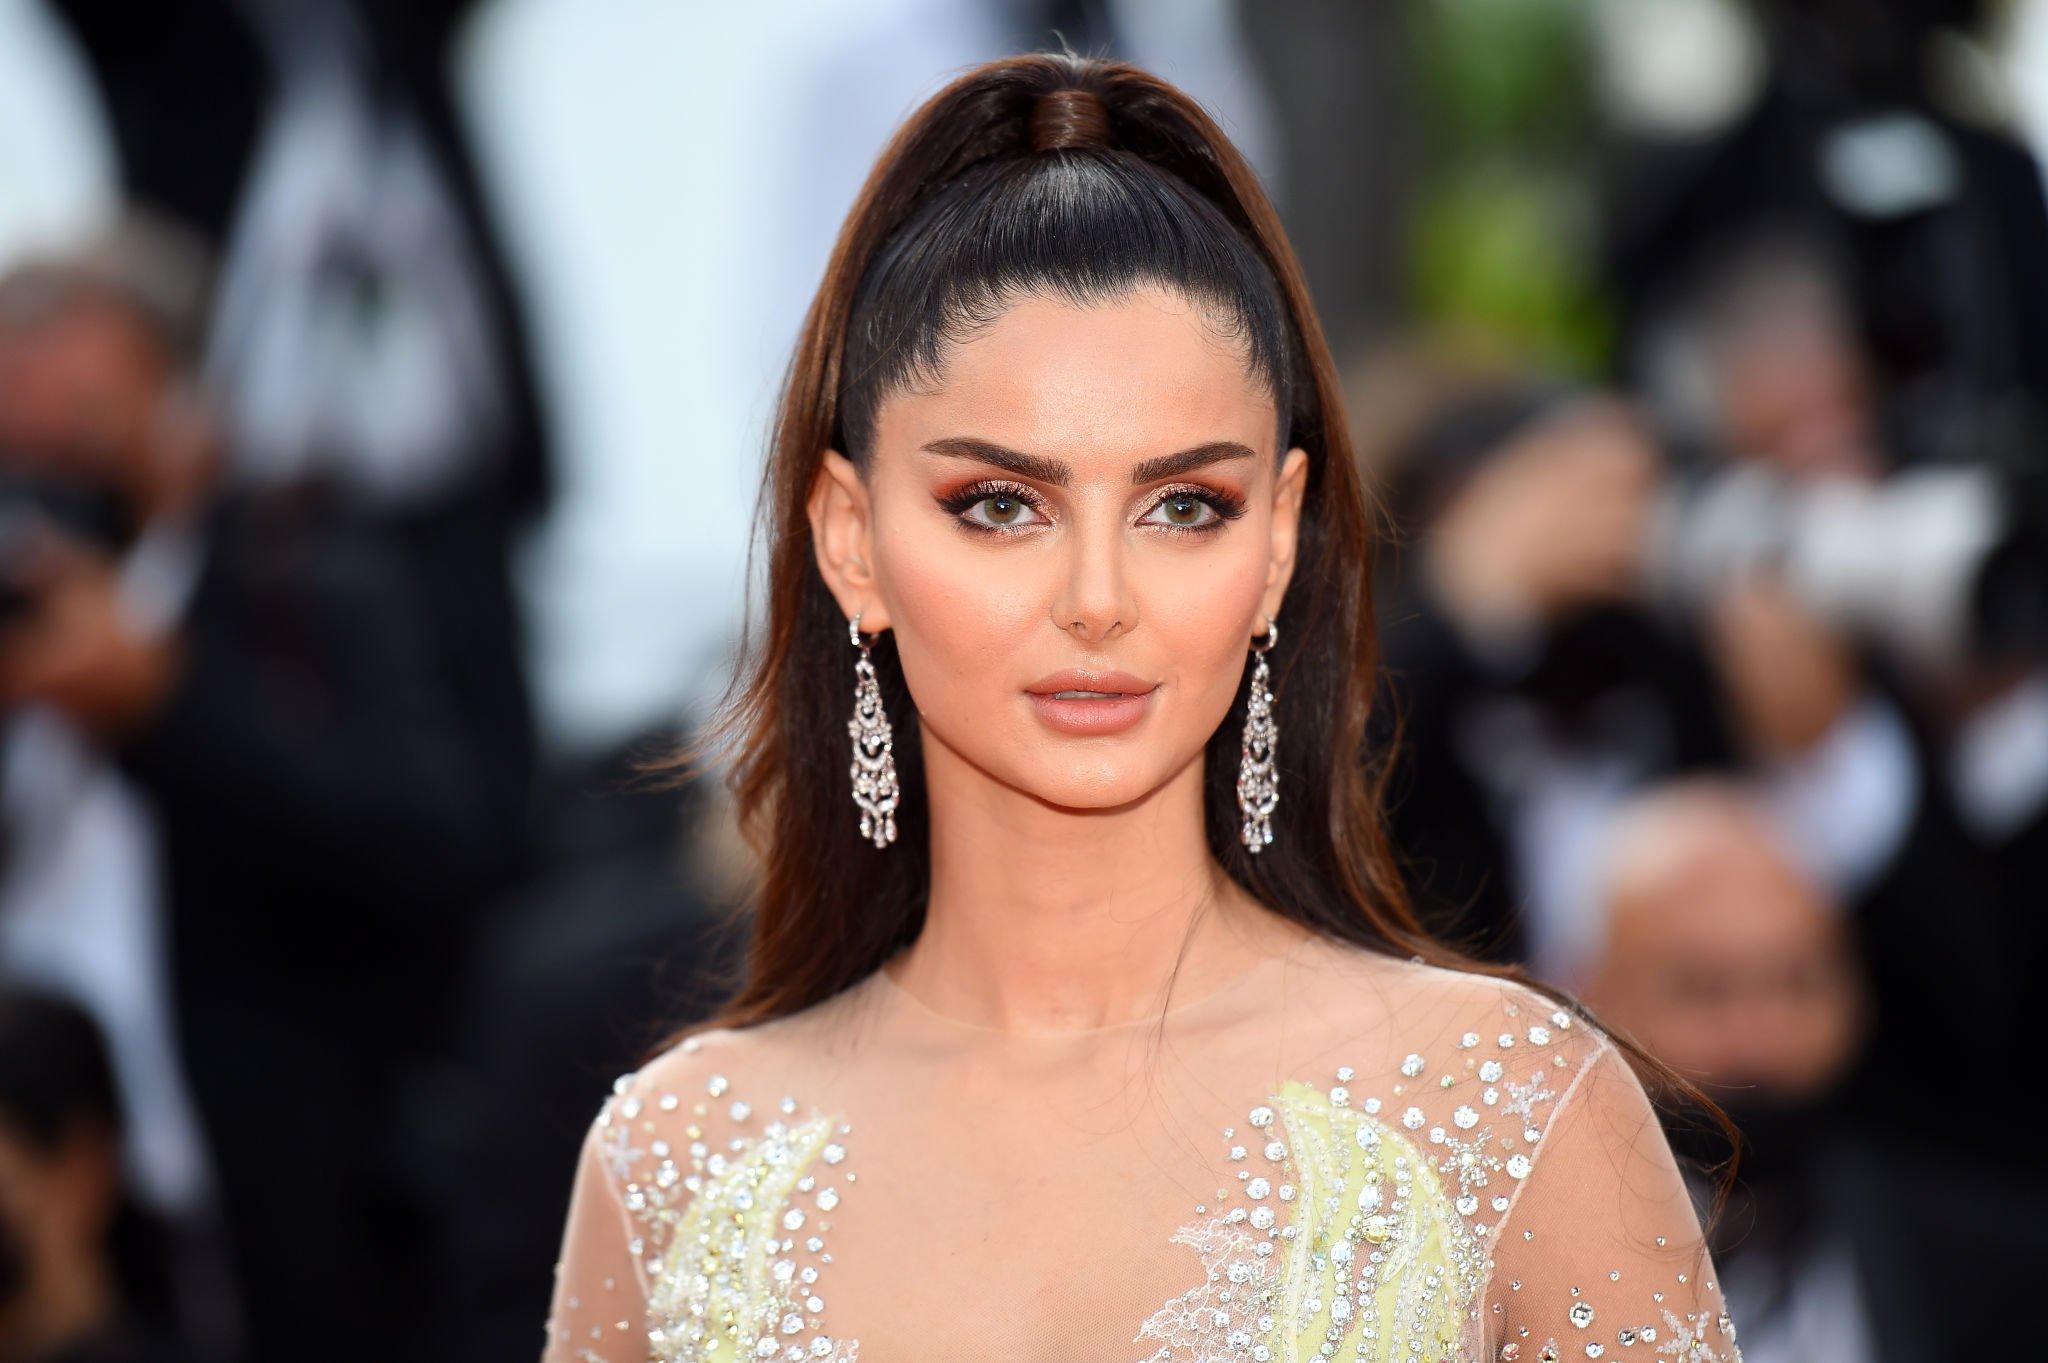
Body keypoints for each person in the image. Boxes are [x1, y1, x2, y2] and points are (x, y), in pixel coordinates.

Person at [541, 53, 1742, 1363]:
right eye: (1001, 505)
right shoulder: (677, 1166)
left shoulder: (1508, 1109)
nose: (1098, 598)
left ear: (1277, 542)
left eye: (1186, 506)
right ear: (851, 541)